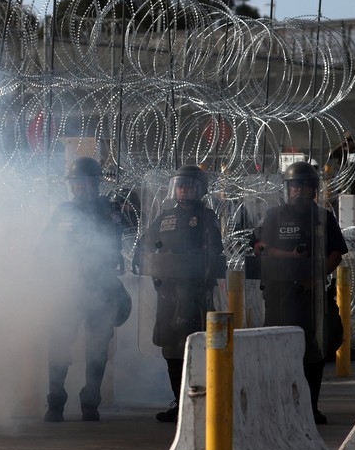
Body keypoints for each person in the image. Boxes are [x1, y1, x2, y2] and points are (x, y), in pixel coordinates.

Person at [252, 161, 347, 424]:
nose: (299, 191)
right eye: (294, 186)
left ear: (314, 190)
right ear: (287, 189)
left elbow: (336, 254)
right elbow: (259, 245)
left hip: (310, 296)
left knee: (312, 352)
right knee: (277, 350)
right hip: (279, 295)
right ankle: (276, 406)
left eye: (305, 186)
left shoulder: (323, 217)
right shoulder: (273, 216)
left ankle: (309, 407)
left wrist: (315, 280)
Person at [40, 156, 131, 422]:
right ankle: (55, 402)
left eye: (87, 182)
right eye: (77, 183)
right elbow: (45, 244)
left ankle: (91, 401)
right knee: (59, 345)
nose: (81, 187)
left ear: (96, 183)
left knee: (97, 349)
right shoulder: (63, 212)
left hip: (100, 287)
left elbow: (120, 232)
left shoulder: (108, 209)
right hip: (69, 287)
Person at [134, 165, 223, 423]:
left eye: (191, 186)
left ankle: (200, 399)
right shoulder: (165, 217)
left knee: (194, 346)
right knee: (171, 348)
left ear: (200, 190)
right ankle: (179, 401)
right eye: (181, 185)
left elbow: (214, 250)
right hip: (168, 293)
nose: (185, 190)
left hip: (195, 294)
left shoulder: (207, 217)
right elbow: (146, 243)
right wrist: (143, 257)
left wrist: (192, 260)